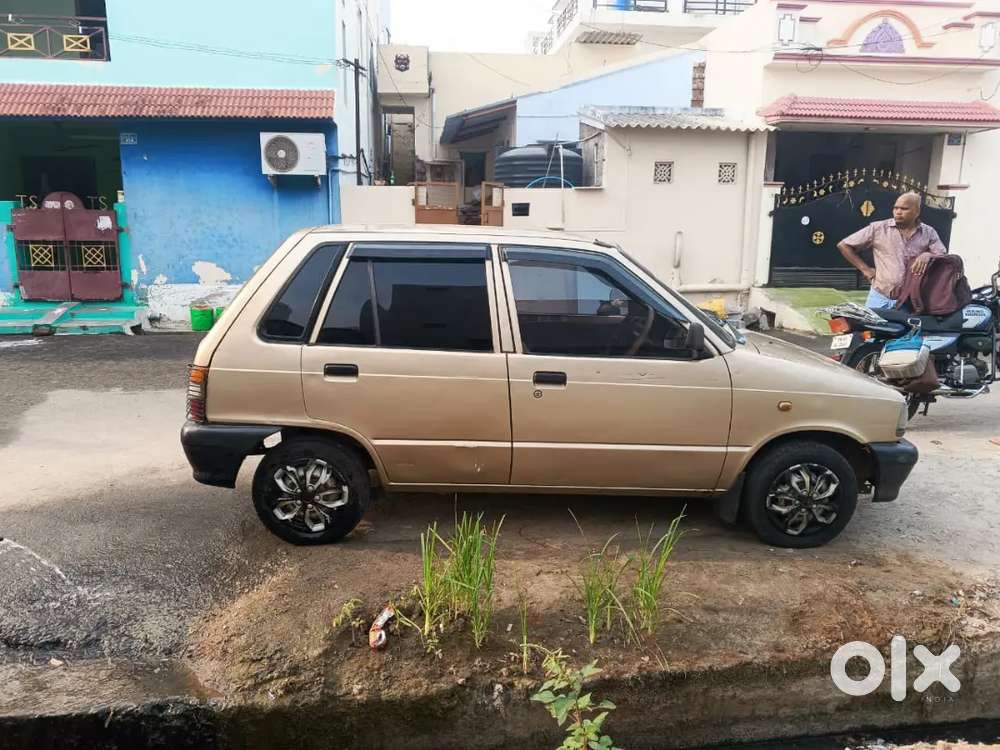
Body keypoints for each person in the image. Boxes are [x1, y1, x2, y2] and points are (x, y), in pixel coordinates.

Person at [837, 192, 948, 310]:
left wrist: (928, 255)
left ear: (917, 212)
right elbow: (844, 245)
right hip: (880, 296)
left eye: (904, 208)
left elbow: (942, 255)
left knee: (909, 328)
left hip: (911, 299)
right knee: (872, 328)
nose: (898, 212)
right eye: (896, 208)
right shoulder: (879, 228)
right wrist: (865, 270)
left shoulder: (928, 232)